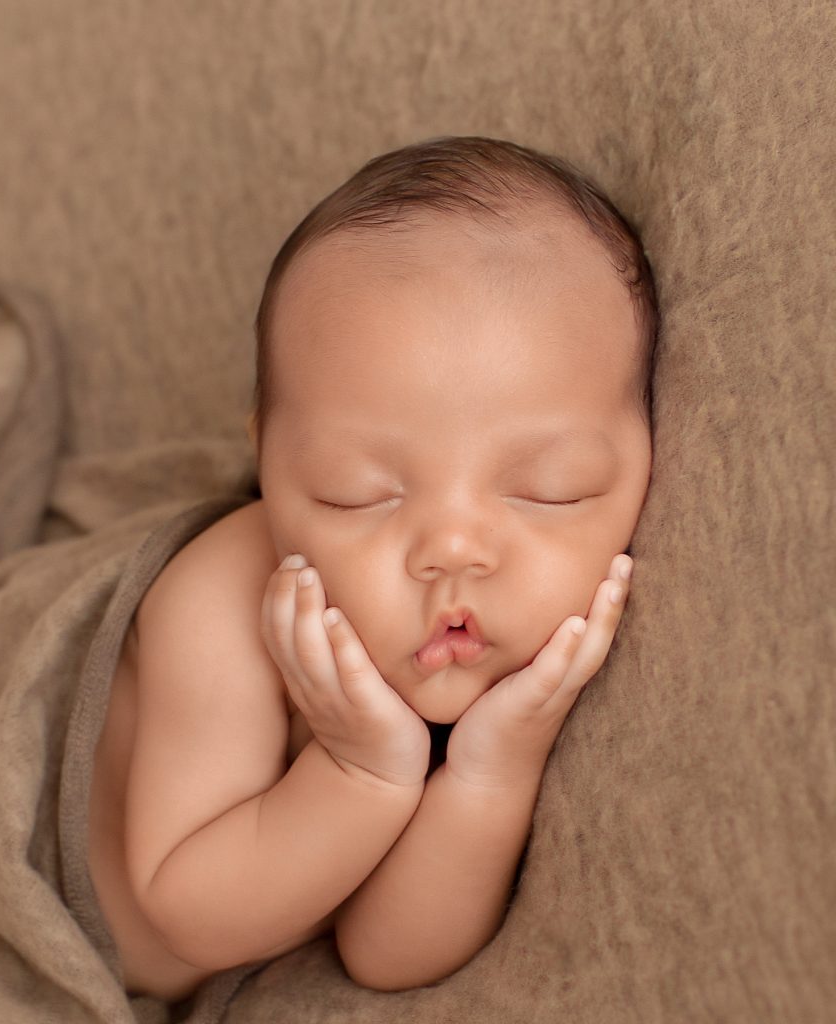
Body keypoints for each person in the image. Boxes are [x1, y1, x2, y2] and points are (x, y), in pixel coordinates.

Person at [86, 136, 658, 1000]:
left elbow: (389, 955)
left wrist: (492, 773)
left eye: (551, 489)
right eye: (355, 494)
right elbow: (184, 917)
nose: (452, 551)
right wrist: (359, 773)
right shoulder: (220, 607)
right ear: (270, 469)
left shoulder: (503, 668)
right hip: (61, 881)